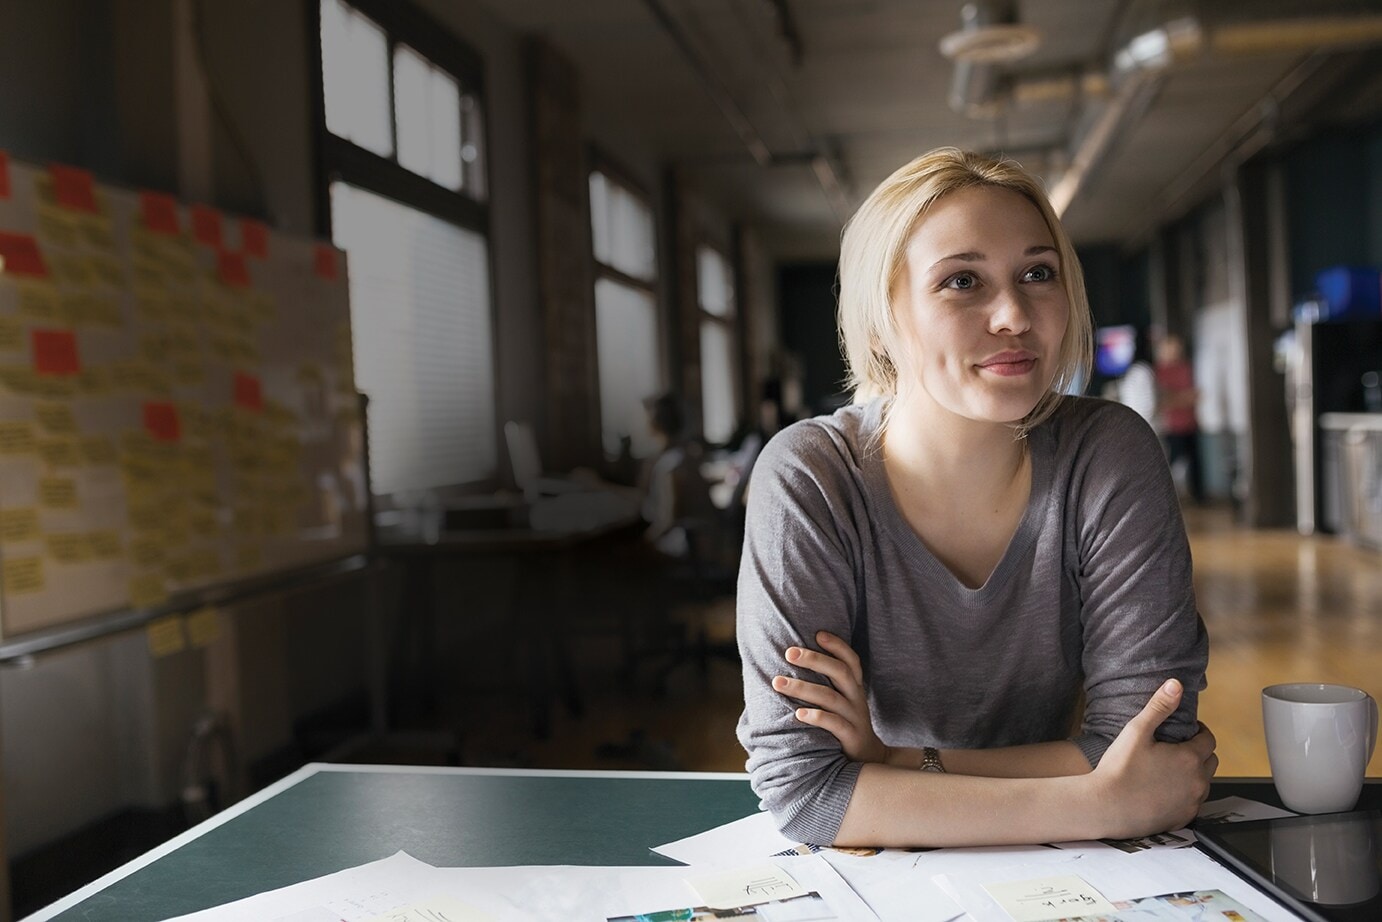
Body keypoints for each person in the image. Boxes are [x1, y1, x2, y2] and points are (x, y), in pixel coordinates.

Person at [735, 148, 1215, 849]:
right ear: (883, 316)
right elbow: (804, 793)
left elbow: (1149, 750)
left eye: (1038, 273)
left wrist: (894, 763)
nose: (1014, 315)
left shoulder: (1108, 452)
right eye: (962, 281)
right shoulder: (811, 476)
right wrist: (1100, 805)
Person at [1156, 333, 1204, 504]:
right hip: (1171, 426)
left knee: (1195, 465)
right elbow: (1162, 400)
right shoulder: (1159, 372)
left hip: (1190, 423)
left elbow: (1196, 395)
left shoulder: (1186, 368)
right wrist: (1182, 398)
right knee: (1171, 464)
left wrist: (1177, 398)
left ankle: (1198, 497)